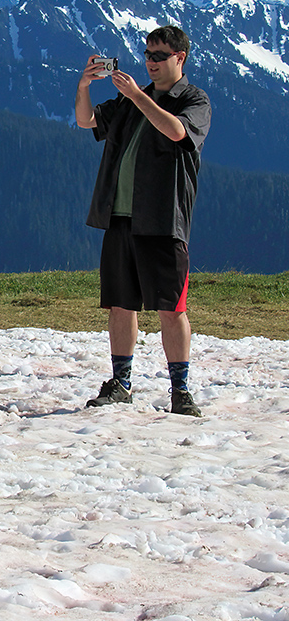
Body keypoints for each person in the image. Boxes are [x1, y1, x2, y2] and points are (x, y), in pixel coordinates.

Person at [74, 25, 211, 416]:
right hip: (120, 215)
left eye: (159, 55)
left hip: (164, 219)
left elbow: (177, 132)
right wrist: (85, 86)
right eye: (147, 55)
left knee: (172, 308)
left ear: (179, 57)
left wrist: (135, 95)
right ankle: (121, 382)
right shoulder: (133, 97)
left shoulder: (194, 99)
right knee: (121, 304)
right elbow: (87, 122)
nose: (150, 62)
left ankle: (180, 391)